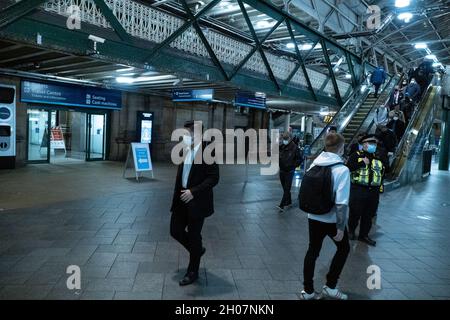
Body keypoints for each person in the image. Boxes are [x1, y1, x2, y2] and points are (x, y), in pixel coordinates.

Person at [299, 133, 351, 300]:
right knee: (344, 248)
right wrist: (341, 227)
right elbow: (342, 203)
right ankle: (330, 286)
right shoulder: (342, 169)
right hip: (332, 219)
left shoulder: (314, 163)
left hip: (313, 216)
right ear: (341, 148)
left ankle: (307, 291)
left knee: (312, 251)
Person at [170, 120, 219, 286]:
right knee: (175, 230)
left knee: (194, 235)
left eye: (189, 133)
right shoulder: (185, 150)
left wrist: (194, 191)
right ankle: (197, 250)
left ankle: (193, 272)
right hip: (182, 198)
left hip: (197, 201)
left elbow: (214, 178)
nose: (186, 136)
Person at [346, 134, 389, 247]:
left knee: (368, 215)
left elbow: (385, 171)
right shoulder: (356, 155)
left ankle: (363, 235)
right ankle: (351, 231)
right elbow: (348, 168)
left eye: (374, 144)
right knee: (355, 213)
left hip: (373, 191)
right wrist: (361, 163)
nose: (373, 145)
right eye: (371, 143)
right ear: (364, 144)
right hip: (358, 189)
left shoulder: (378, 157)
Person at [277, 132, 302, 212]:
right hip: (282, 170)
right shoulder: (282, 146)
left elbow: (299, 159)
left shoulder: (295, 148)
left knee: (287, 188)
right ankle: (289, 202)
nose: (284, 140)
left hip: (289, 171)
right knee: (285, 188)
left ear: (290, 138)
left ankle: (282, 205)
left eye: (286, 139)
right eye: (283, 139)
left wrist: (292, 166)